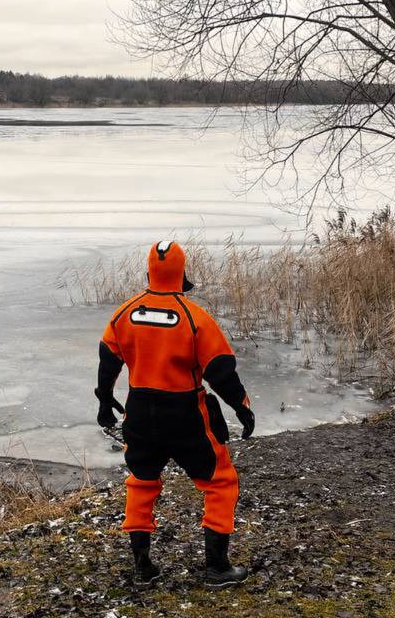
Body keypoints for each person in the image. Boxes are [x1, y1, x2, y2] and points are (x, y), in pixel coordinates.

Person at [95, 240, 255, 588]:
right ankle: (216, 568)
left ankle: (143, 568)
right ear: (182, 273)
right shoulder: (194, 318)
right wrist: (242, 408)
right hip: (184, 414)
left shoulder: (125, 313)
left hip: (138, 412)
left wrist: (105, 402)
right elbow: (221, 371)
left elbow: (108, 361)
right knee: (221, 481)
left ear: (149, 271)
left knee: (141, 482)